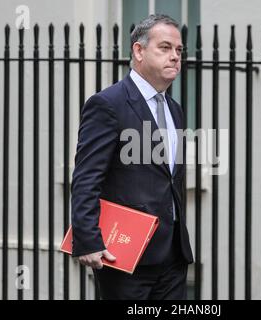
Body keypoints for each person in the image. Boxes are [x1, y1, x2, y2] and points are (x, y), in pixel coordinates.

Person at [70, 14, 194, 300]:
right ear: (138, 51)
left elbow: (168, 177)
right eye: (164, 48)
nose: (175, 57)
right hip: (126, 257)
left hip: (173, 255)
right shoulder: (107, 104)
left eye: (178, 50)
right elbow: (87, 177)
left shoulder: (175, 110)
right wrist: (88, 239)